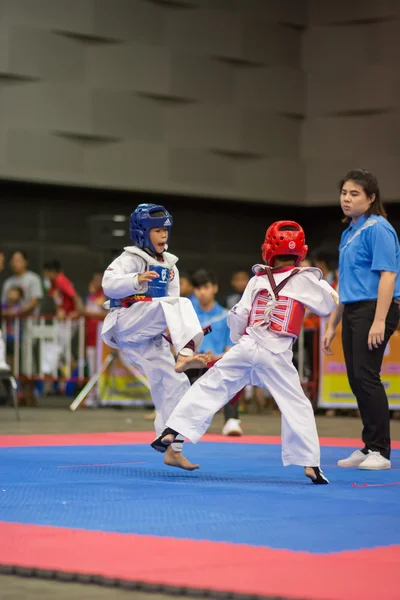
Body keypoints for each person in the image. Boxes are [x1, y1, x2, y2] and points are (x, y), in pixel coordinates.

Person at [152, 221, 339, 484]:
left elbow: (238, 315)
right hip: (276, 351)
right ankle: (311, 464)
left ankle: (173, 430)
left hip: (248, 345)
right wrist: (317, 281)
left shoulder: (257, 279)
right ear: (300, 252)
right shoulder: (305, 279)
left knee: (211, 386)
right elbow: (330, 305)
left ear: (268, 249)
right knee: (296, 404)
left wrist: (239, 340)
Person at [101, 203, 208, 470]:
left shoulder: (170, 265)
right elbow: (108, 284)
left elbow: (169, 300)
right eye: (158, 230)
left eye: (166, 231)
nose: (164, 236)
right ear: (142, 232)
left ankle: (173, 448)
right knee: (181, 304)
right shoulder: (129, 258)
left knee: (176, 384)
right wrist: (136, 279)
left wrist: (169, 331)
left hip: (149, 332)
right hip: (127, 321)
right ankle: (186, 353)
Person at [323, 169, 400, 470]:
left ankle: (381, 451)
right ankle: (369, 446)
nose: (347, 198)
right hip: (354, 308)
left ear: (370, 198)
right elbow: (345, 282)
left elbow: (388, 275)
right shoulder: (349, 231)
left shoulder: (379, 229)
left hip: (376, 308)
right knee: (356, 379)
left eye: (354, 194)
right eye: (344, 193)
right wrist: (332, 323)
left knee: (367, 377)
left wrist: (380, 320)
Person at [190, 268, 243, 436]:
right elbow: (181, 345)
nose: (202, 293)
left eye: (206, 287)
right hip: (193, 364)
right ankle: (187, 419)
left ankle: (231, 421)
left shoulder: (226, 316)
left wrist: (215, 358)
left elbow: (230, 350)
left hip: (218, 364)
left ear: (215, 288)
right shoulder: (188, 315)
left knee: (234, 369)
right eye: (198, 289)